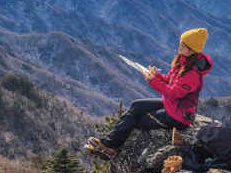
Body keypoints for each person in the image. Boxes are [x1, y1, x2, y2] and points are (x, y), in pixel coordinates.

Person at [85, 28, 213, 161]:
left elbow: (174, 92)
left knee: (138, 120)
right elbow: (170, 79)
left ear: (193, 50)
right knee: (136, 105)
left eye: (183, 46)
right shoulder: (183, 61)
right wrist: (157, 75)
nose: (179, 48)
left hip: (178, 116)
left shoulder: (193, 74)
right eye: (180, 44)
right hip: (171, 106)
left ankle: (108, 147)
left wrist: (153, 80)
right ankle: (107, 144)